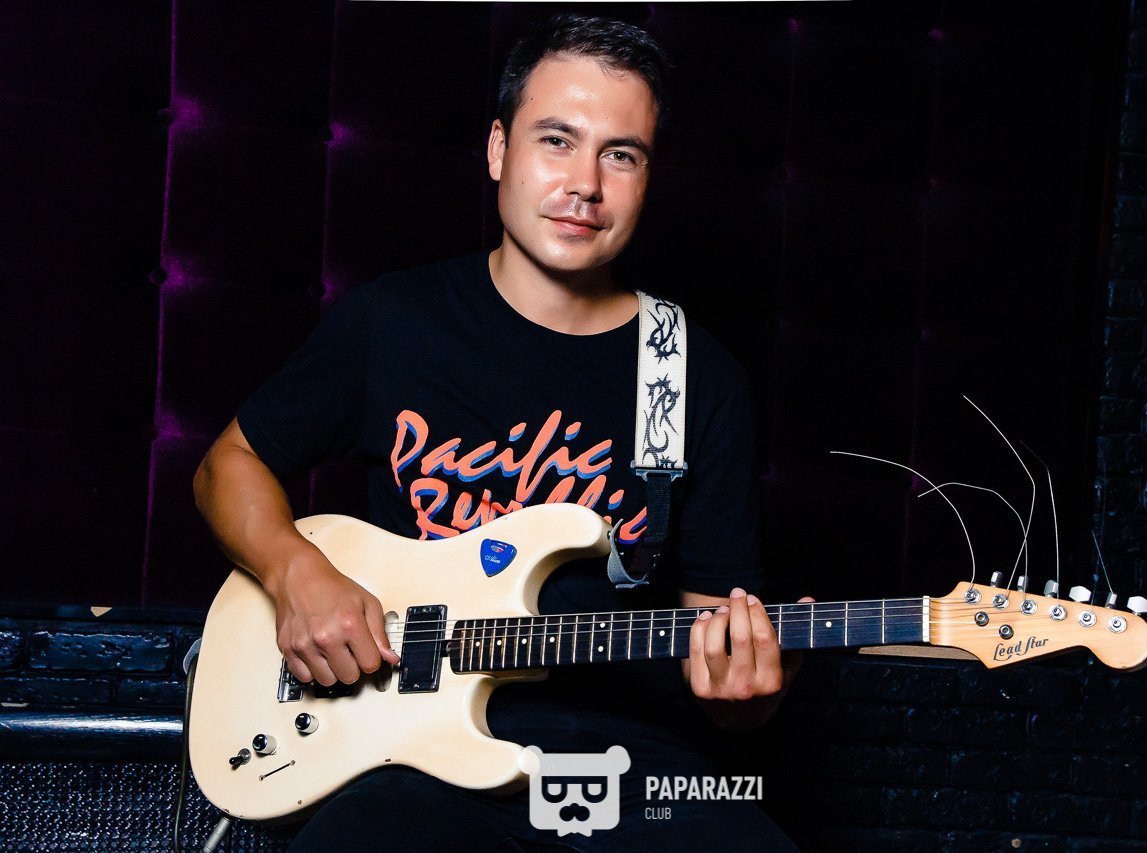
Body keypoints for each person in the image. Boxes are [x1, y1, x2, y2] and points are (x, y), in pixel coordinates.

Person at [194, 14, 803, 850]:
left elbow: (716, 645)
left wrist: (750, 693)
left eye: (621, 155)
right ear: (497, 150)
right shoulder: (394, 324)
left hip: (630, 766)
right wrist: (296, 571)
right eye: (557, 140)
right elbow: (226, 464)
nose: (585, 184)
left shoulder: (695, 374)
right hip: (406, 756)